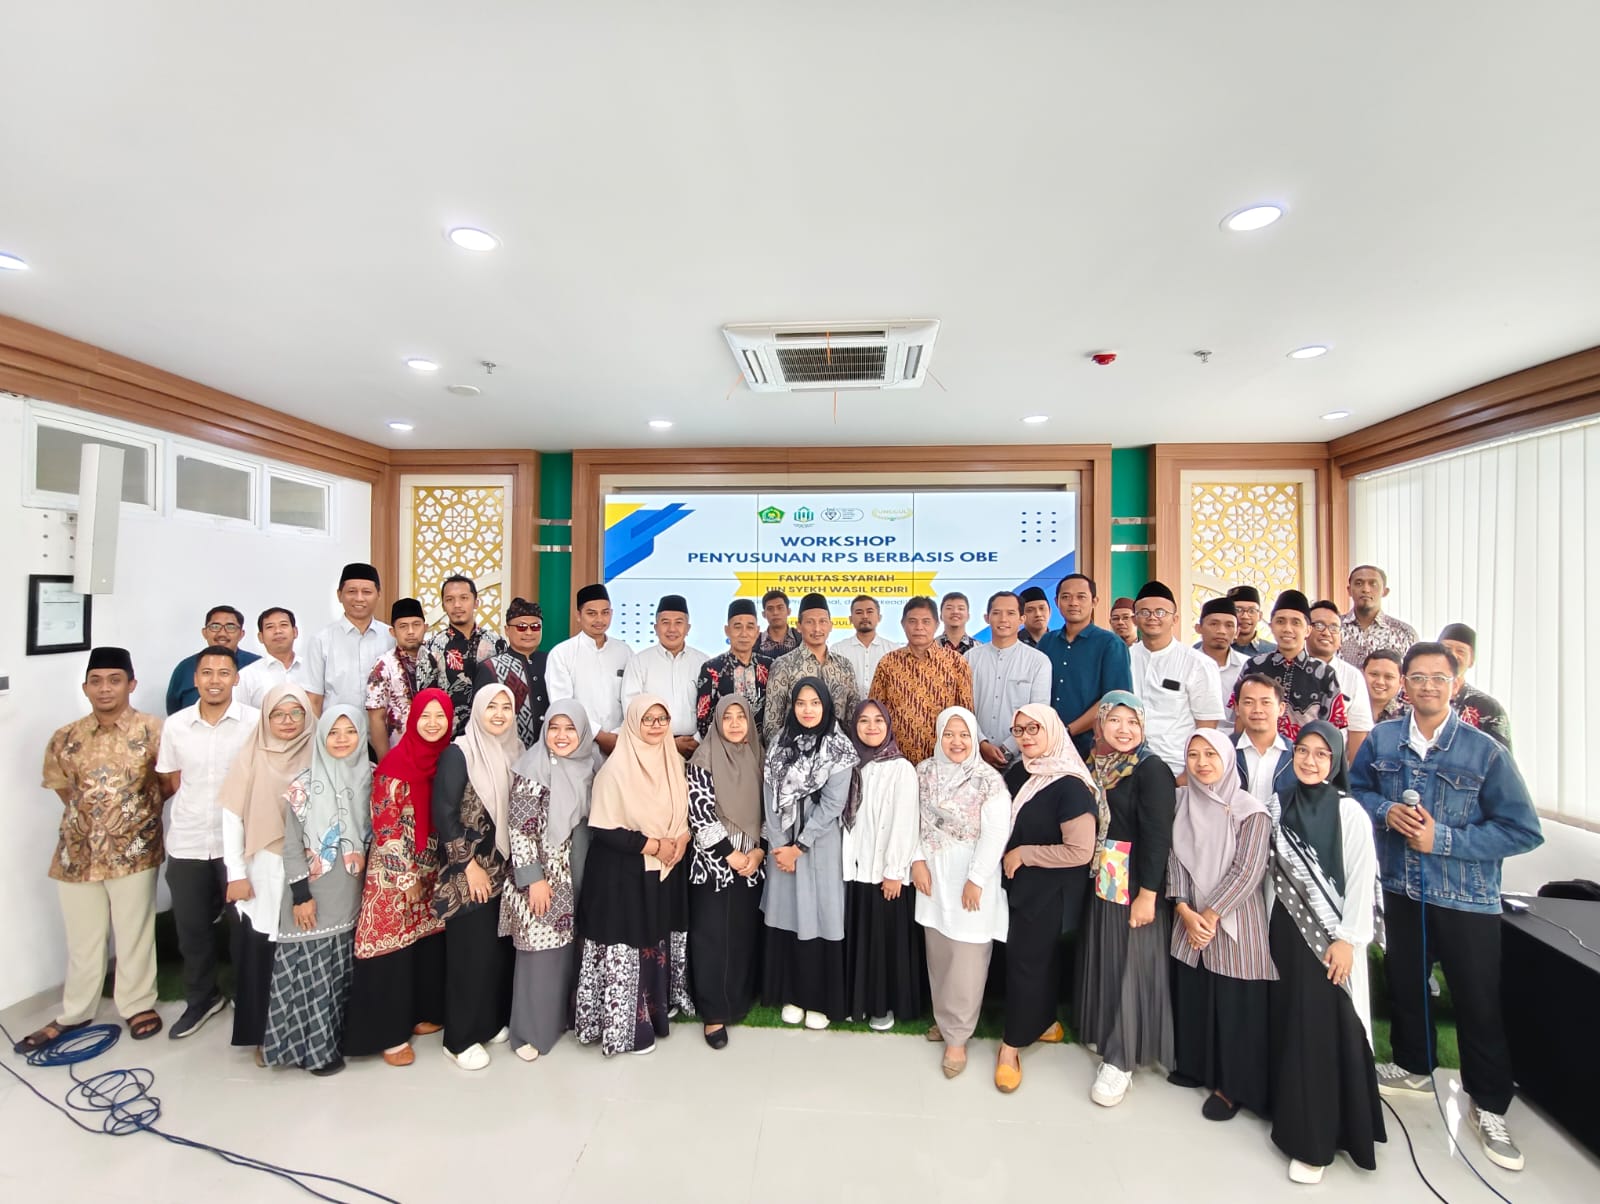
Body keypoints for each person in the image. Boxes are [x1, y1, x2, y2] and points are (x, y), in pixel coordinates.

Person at [1351, 642, 1542, 1173]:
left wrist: (1447, 840)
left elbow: (1523, 830)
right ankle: (1414, 1065)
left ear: (1455, 685)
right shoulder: (1384, 739)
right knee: (1406, 983)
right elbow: (1356, 791)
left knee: (1477, 1001)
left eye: (1439, 678)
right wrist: (1386, 811)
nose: (1428, 686)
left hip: (1466, 898)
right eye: (1418, 677)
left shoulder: (1485, 752)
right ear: (1404, 684)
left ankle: (1489, 1104)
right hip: (1402, 889)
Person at [18, 649, 165, 1051]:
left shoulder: (154, 731)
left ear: (131, 684)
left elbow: (169, 784)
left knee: (135, 933)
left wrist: (130, 819)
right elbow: (63, 790)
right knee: (83, 938)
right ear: (85, 687)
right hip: (77, 853)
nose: (105, 689)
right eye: (96, 681)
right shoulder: (66, 737)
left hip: (134, 850)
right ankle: (76, 1011)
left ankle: (137, 1005)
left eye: (114, 680)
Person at [1265, 721, 1384, 1185]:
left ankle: (1313, 1143)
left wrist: (1348, 940)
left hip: (1331, 942)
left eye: (1321, 754)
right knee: (1290, 1024)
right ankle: (1287, 1111)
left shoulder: (1349, 813)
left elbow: (1362, 882)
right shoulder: (1280, 804)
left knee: (1320, 1033)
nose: (1310, 761)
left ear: (1335, 762)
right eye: (1302, 751)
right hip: (1284, 933)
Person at [574, 695, 692, 1056]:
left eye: (662, 719)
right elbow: (604, 827)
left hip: (664, 867)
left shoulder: (674, 762)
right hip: (623, 875)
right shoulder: (616, 769)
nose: (656, 726)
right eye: (647, 719)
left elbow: (684, 812)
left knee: (655, 937)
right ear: (632, 723)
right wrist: (654, 845)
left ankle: (657, 1012)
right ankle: (627, 1029)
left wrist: (681, 839)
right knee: (628, 942)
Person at [1165, 729, 1274, 1121]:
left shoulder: (1251, 811)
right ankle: (1195, 1066)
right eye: (1193, 755)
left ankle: (1232, 1088)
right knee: (1195, 995)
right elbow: (1174, 859)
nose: (1202, 763)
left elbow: (1248, 871)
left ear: (1227, 759)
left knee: (1233, 1006)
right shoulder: (1181, 802)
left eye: (1211, 754)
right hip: (1189, 917)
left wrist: (1209, 916)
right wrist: (1184, 910)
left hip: (1233, 922)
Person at [154, 644, 259, 1040]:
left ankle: (249, 996)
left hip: (240, 842)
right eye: (207, 673)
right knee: (192, 928)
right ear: (196, 678)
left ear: (236, 678)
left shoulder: (254, 722)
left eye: (223, 673)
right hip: (189, 839)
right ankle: (202, 998)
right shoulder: (176, 725)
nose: (215, 680)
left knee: (243, 926)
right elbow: (172, 779)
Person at [343, 689, 453, 1066]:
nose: (433, 723)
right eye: (426, 716)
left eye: (440, 716)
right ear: (412, 719)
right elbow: (386, 827)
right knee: (389, 947)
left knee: (424, 944)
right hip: (395, 874)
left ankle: (420, 1013)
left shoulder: (446, 760)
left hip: (432, 869)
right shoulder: (394, 766)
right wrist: (405, 877)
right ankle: (388, 1035)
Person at [261, 704, 371, 1076]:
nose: (341, 740)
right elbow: (292, 847)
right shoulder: (303, 786)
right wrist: (301, 896)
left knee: (340, 973)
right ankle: (311, 1052)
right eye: (333, 732)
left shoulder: (371, 777)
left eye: (350, 731)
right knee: (312, 971)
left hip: (353, 892)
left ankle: (334, 1043)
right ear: (321, 737)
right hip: (315, 893)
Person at [994, 705, 1097, 1093]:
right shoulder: (1020, 772)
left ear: (1053, 729)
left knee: (1027, 963)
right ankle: (1044, 1023)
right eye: (1019, 730)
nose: (1025, 737)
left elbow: (1080, 851)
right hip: (1019, 886)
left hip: (1048, 891)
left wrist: (1025, 854)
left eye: (1034, 728)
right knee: (1032, 961)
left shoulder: (1071, 785)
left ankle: (1011, 1047)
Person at [1080, 691, 1176, 1108]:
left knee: (1132, 964)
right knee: (1110, 954)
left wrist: (1148, 895)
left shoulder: (1151, 769)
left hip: (1137, 877)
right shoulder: (1095, 763)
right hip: (1107, 871)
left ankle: (1121, 1060)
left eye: (1132, 722)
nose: (1123, 729)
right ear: (1100, 723)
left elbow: (1158, 836)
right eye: (1114, 720)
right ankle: (1106, 1034)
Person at [218, 685, 316, 1061]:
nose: (288, 721)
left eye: (296, 713)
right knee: (264, 948)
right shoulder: (252, 755)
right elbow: (232, 816)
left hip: (313, 864)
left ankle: (308, 1029)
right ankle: (263, 1034)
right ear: (266, 718)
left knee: (306, 947)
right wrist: (235, 873)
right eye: (278, 714)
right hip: (264, 865)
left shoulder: (319, 748)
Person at [911, 706, 1010, 1078]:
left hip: (970, 878)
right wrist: (916, 861)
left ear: (973, 738)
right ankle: (946, 1019)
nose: (956, 742)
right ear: (939, 736)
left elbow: (996, 833)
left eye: (964, 734)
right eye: (949, 734)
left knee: (967, 958)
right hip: (933, 875)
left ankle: (958, 1037)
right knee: (940, 954)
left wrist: (977, 878)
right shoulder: (924, 772)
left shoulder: (988, 780)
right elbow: (910, 819)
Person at [431, 684, 521, 1069]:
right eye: (491, 707)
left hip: (503, 869)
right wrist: (468, 867)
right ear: (478, 711)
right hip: (469, 871)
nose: (499, 714)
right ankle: (460, 1038)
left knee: (495, 952)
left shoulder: (514, 750)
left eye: (506, 707)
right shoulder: (460, 752)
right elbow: (444, 813)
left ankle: (488, 1021)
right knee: (470, 955)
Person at [501, 701, 596, 1061]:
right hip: (545, 876)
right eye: (554, 727)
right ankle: (529, 1033)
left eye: (570, 728)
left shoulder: (590, 764)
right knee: (540, 954)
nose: (561, 735)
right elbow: (519, 829)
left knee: (568, 951)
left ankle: (560, 1020)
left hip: (579, 870)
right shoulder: (533, 768)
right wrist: (534, 880)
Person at [761, 678, 859, 1030]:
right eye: (801, 703)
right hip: (782, 846)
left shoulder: (838, 747)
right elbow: (770, 795)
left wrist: (799, 846)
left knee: (820, 915)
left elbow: (833, 804)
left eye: (815, 703)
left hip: (819, 845)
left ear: (826, 706)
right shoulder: (779, 743)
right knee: (789, 914)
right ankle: (791, 995)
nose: (807, 710)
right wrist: (779, 846)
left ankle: (819, 999)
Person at [685, 696, 767, 1048]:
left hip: (752, 863)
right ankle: (714, 1013)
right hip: (714, 866)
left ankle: (740, 997)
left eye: (741, 717)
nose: (734, 723)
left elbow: (770, 810)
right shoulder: (702, 759)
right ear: (716, 721)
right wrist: (730, 854)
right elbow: (699, 813)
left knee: (743, 934)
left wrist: (759, 851)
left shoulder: (757, 756)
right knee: (712, 938)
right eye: (727, 717)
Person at [841, 700, 922, 1032]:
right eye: (864, 721)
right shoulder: (849, 764)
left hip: (885, 875)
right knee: (857, 938)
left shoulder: (901, 768)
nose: (871, 727)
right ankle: (857, 1002)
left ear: (888, 726)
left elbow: (905, 823)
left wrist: (894, 871)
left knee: (881, 943)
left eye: (878, 720)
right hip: (854, 870)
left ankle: (881, 1005)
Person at [1127, 581, 1223, 778]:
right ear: (1135, 619)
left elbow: (1207, 725)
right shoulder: (1124, 658)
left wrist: (1188, 774)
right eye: (1144, 612)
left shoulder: (1198, 664)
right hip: (1126, 765)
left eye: (1161, 612)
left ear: (1175, 619)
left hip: (1174, 766)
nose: (1152, 617)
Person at [869, 595, 975, 766]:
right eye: (912, 621)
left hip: (944, 761)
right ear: (903, 624)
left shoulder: (956, 663)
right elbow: (876, 713)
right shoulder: (888, 663)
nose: (919, 627)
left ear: (936, 624)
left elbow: (966, 715)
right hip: (897, 761)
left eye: (926, 621)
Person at [1232, 590, 1347, 743]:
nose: (1287, 628)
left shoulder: (1324, 673)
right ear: (1271, 626)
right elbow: (1240, 717)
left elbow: (1333, 729)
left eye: (1296, 622)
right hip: (1256, 752)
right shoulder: (1253, 666)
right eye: (1280, 621)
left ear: (1308, 630)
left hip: (1305, 755)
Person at [1039, 573, 1133, 759]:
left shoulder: (1110, 644)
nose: (1073, 603)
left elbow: (1115, 699)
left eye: (1081, 597)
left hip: (1092, 749)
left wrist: (1068, 730)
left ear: (1094, 601)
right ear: (1057, 602)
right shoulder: (1047, 642)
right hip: (1047, 745)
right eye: (1066, 597)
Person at [965, 590, 1051, 772]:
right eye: (996, 613)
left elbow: (1038, 712)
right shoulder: (970, 659)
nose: (1003, 619)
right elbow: (964, 707)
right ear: (987, 618)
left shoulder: (1038, 661)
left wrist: (1007, 749)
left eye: (1011, 613)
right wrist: (981, 743)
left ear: (1022, 619)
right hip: (975, 759)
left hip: (1022, 762)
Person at [545, 584, 631, 756]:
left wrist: (617, 734)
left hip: (620, 744)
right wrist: (599, 735)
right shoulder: (562, 653)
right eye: (592, 613)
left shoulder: (625, 652)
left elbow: (633, 698)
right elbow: (562, 704)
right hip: (578, 744)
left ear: (611, 613)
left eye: (605, 612)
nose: (599, 619)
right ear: (578, 615)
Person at [763, 593, 860, 746]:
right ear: (799, 626)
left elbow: (852, 719)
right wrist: (782, 755)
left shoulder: (844, 666)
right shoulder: (783, 665)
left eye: (823, 621)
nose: (817, 628)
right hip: (794, 754)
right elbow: (772, 724)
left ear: (831, 625)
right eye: (810, 622)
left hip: (837, 754)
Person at [299, 562, 394, 717]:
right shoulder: (321, 641)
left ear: (378, 595)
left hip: (384, 731)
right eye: (352, 591)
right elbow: (313, 699)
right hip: (338, 730)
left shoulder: (391, 637)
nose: (359, 598)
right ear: (339, 595)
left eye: (367, 592)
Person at [622, 594, 710, 757]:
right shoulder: (639, 662)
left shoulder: (703, 663)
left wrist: (697, 739)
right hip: (652, 748)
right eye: (665, 622)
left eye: (678, 622)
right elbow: (631, 710)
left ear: (688, 628)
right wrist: (667, 742)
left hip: (697, 748)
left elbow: (712, 707)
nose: (672, 629)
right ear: (655, 628)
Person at [417, 575, 501, 737]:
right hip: (447, 737)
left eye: (464, 598)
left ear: (476, 602)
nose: (457, 605)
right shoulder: (431, 648)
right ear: (443, 606)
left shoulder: (497, 643)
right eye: (450, 600)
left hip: (491, 733)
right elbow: (425, 701)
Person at [472, 597, 549, 748]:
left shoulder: (552, 662)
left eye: (535, 627)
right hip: (507, 752)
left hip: (549, 751)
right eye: (521, 627)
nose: (529, 632)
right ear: (507, 630)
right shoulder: (490, 667)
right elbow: (481, 716)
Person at [693, 599, 772, 739]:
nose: (744, 633)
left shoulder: (769, 666)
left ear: (757, 631)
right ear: (727, 630)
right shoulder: (712, 669)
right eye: (737, 627)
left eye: (750, 627)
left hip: (763, 748)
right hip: (724, 748)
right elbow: (703, 719)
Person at [1309, 599, 1373, 762]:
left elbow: (1358, 731)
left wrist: (1350, 773)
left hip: (1334, 766)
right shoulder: (1289, 667)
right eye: (1319, 625)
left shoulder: (1353, 676)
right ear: (1306, 630)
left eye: (1334, 628)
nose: (1326, 633)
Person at [365, 598, 430, 759]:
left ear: (425, 627)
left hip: (434, 754)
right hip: (399, 755)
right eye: (403, 626)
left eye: (416, 625)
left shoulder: (437, 660)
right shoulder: (384, 665)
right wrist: (386, 763)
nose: (410, 631)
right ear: (392, 632)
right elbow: (376, 718)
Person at [166, 606, 261, 714]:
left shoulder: (257, 666)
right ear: (205, 632)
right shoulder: (185, 668)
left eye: (230, 627)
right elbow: (174, 710)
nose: (222, 633)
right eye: (215, 626)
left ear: (241, 634)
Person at [1438, 623, 1513, 750]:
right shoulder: (1410, 698)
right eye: (1447, 648)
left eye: (1460, 651)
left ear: (1471, 660)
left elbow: (1501, 757)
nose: (1452, 655)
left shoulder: (1488, 708)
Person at [1340, 565, 1418, 668]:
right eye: (1359, 583)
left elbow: (1413, 671)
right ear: (1349, 590)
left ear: (1385, 591)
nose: (1366, 589)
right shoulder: (1333, 629)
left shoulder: (1404, 633)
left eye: (1373, 584)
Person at [1233, 674, 1292, 803]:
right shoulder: (1224, 751)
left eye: (1266, 702)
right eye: (1248, 702)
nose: (1257, 710)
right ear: (1237, 708)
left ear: (1281, 708)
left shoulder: (1295, 755)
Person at [1193, 598, 1247, 737]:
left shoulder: (1248, 666)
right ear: (1198, 628)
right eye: (1214, 624)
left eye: (1229, 625)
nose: (1221, 631)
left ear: (1237, 632)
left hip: (1236, 740)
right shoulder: (1187, 663)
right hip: (1193, 738)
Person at [237, 607, 302, 709]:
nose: (278, 631)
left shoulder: (311, 670)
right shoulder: (247, 676)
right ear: (260, 637)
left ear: (295, 632)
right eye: (270, 627)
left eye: (283, 625)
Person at [831, 593, 901, 687]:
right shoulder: (838, 650)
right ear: (850, 619)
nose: (865, 616)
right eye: (859, 612)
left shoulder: (893, 650)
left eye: (869, 612)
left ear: (879, 617)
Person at [1226, 586, 1276, 655]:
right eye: (1238, 610)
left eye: (1252, 611)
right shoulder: (1215, 648)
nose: (1245, 616)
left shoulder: (1274, 652)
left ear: (1260, 616)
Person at [1363, 649, 1407, 724]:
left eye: (1389, 677)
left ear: (1401, 682)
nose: (1380, 682)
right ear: (1362, 674)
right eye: (1374, 674)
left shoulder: (1409, 717)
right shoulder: (1346, 708)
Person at [758, 588, 801, 657]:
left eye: (780, 608)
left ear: (789, 611)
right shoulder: (756, 642)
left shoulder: (801, 639)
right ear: (764, 614)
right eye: (770, 609)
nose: (775, 612)